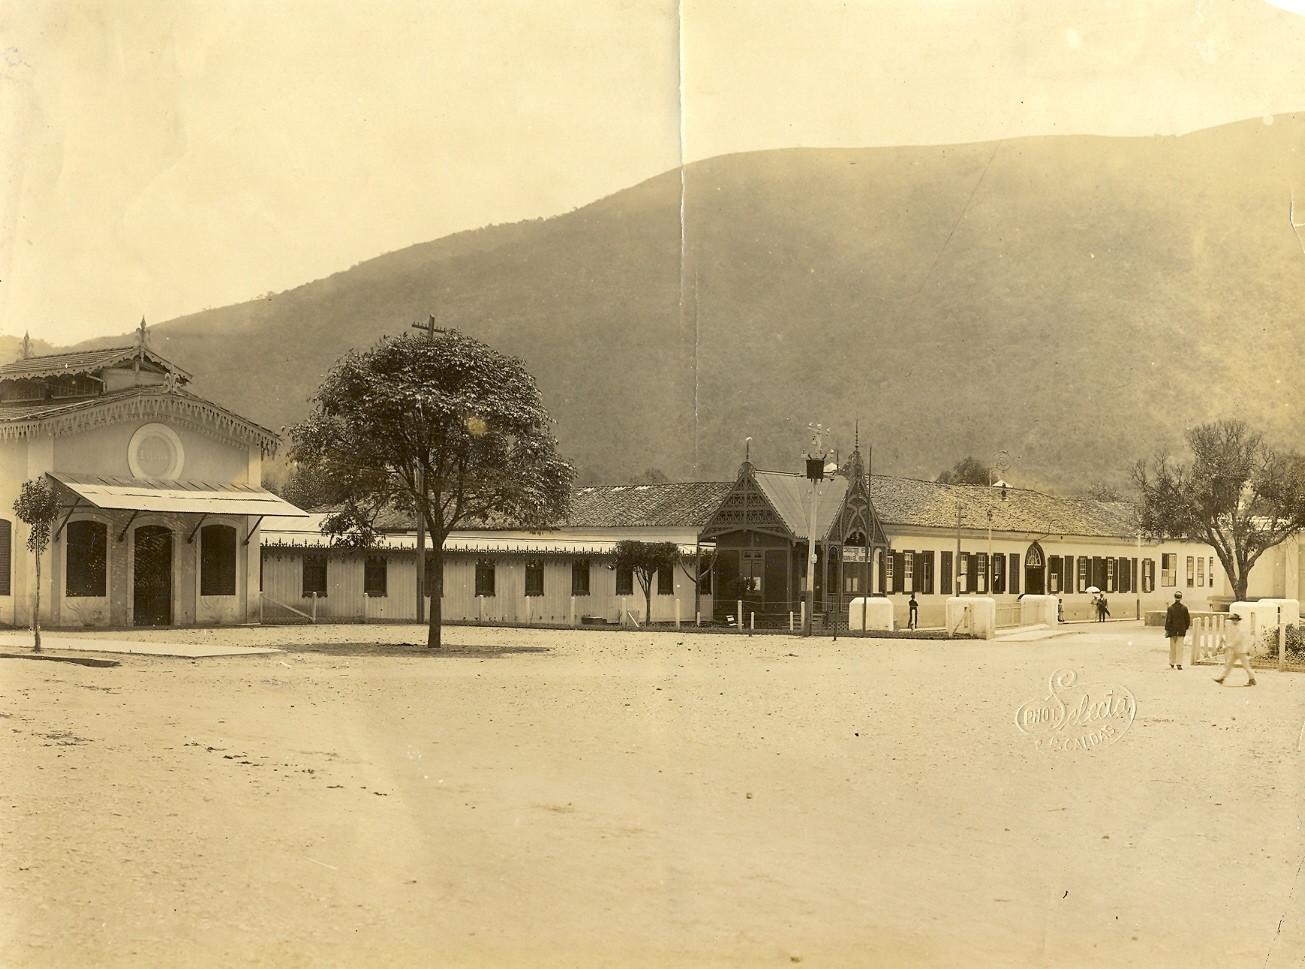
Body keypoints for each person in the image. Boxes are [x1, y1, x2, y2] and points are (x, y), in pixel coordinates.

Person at [1215, 612, 1256, 686]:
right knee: (1229, 664)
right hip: (1236, 650)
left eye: (1235, 620)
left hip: (1241, 651)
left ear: (1238, 620)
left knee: (1246, 666)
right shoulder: (1235, 628)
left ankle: (1252, 679)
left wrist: (1227, 647)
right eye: (1233, 620)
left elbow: (1236, 640)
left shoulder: (1240, 629)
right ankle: (1222, 678)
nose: (1234, 621)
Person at [1165, 591, 1190, 669]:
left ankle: (1172, 662)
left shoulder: (1170, 608)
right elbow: (1187, 620)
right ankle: (1179, 663)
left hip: (1172, 631)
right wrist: (1186, 628)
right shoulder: (1184, 608)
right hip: (1181, 630)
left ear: (1174, 597)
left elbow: (1168, 620)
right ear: (1181, 598)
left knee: (1172, 647)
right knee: (1180, 647)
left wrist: (1167, 630)